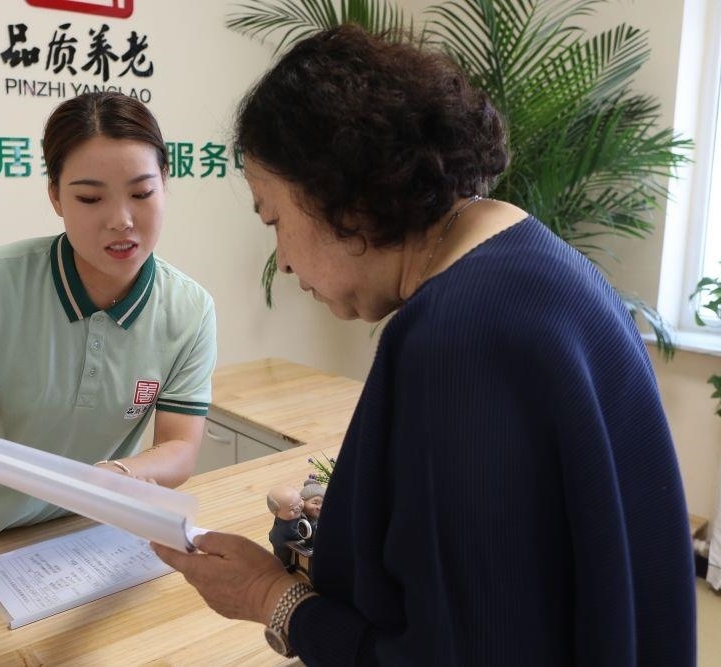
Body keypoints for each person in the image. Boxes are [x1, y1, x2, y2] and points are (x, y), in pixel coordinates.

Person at [152, 24, 695, 665]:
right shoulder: (540, 261)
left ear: (337, 191)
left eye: (274, 219)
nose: (286, 261)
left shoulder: (456, 340)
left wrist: (270, 597)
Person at [0, 92, 217, 549]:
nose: (121, 221)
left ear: (164, 184)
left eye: (141, 193)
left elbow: (181, 447)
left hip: (82, 532)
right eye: (90, 197)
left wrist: (119, 475)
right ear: (55, 196)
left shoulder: (190, 309)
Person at [266, 485, 305, 569]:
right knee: (283, 556)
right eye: (292, 509)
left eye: (300, 501)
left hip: (284, 538)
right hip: (281, 542)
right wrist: (305, 535)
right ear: (276, 513)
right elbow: (295, 535)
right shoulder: (286, 526)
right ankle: (285, 567)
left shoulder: (288, 516)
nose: (298, 508)